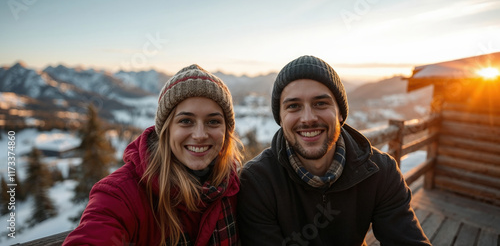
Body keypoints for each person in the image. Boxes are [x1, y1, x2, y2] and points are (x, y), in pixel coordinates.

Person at [237, 55, 431, 245]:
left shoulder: (381, 171)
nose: (308, 118)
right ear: (280, 118)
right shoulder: (258, 181)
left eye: (320, 103)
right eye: (293, 106)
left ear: (340, 113)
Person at [64, 64, 243, 246]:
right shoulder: (122, 192)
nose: (199, 135)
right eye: (186, 121)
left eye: (213, 121)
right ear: (166, 130)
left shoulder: (233, 184)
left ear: (226, 130)